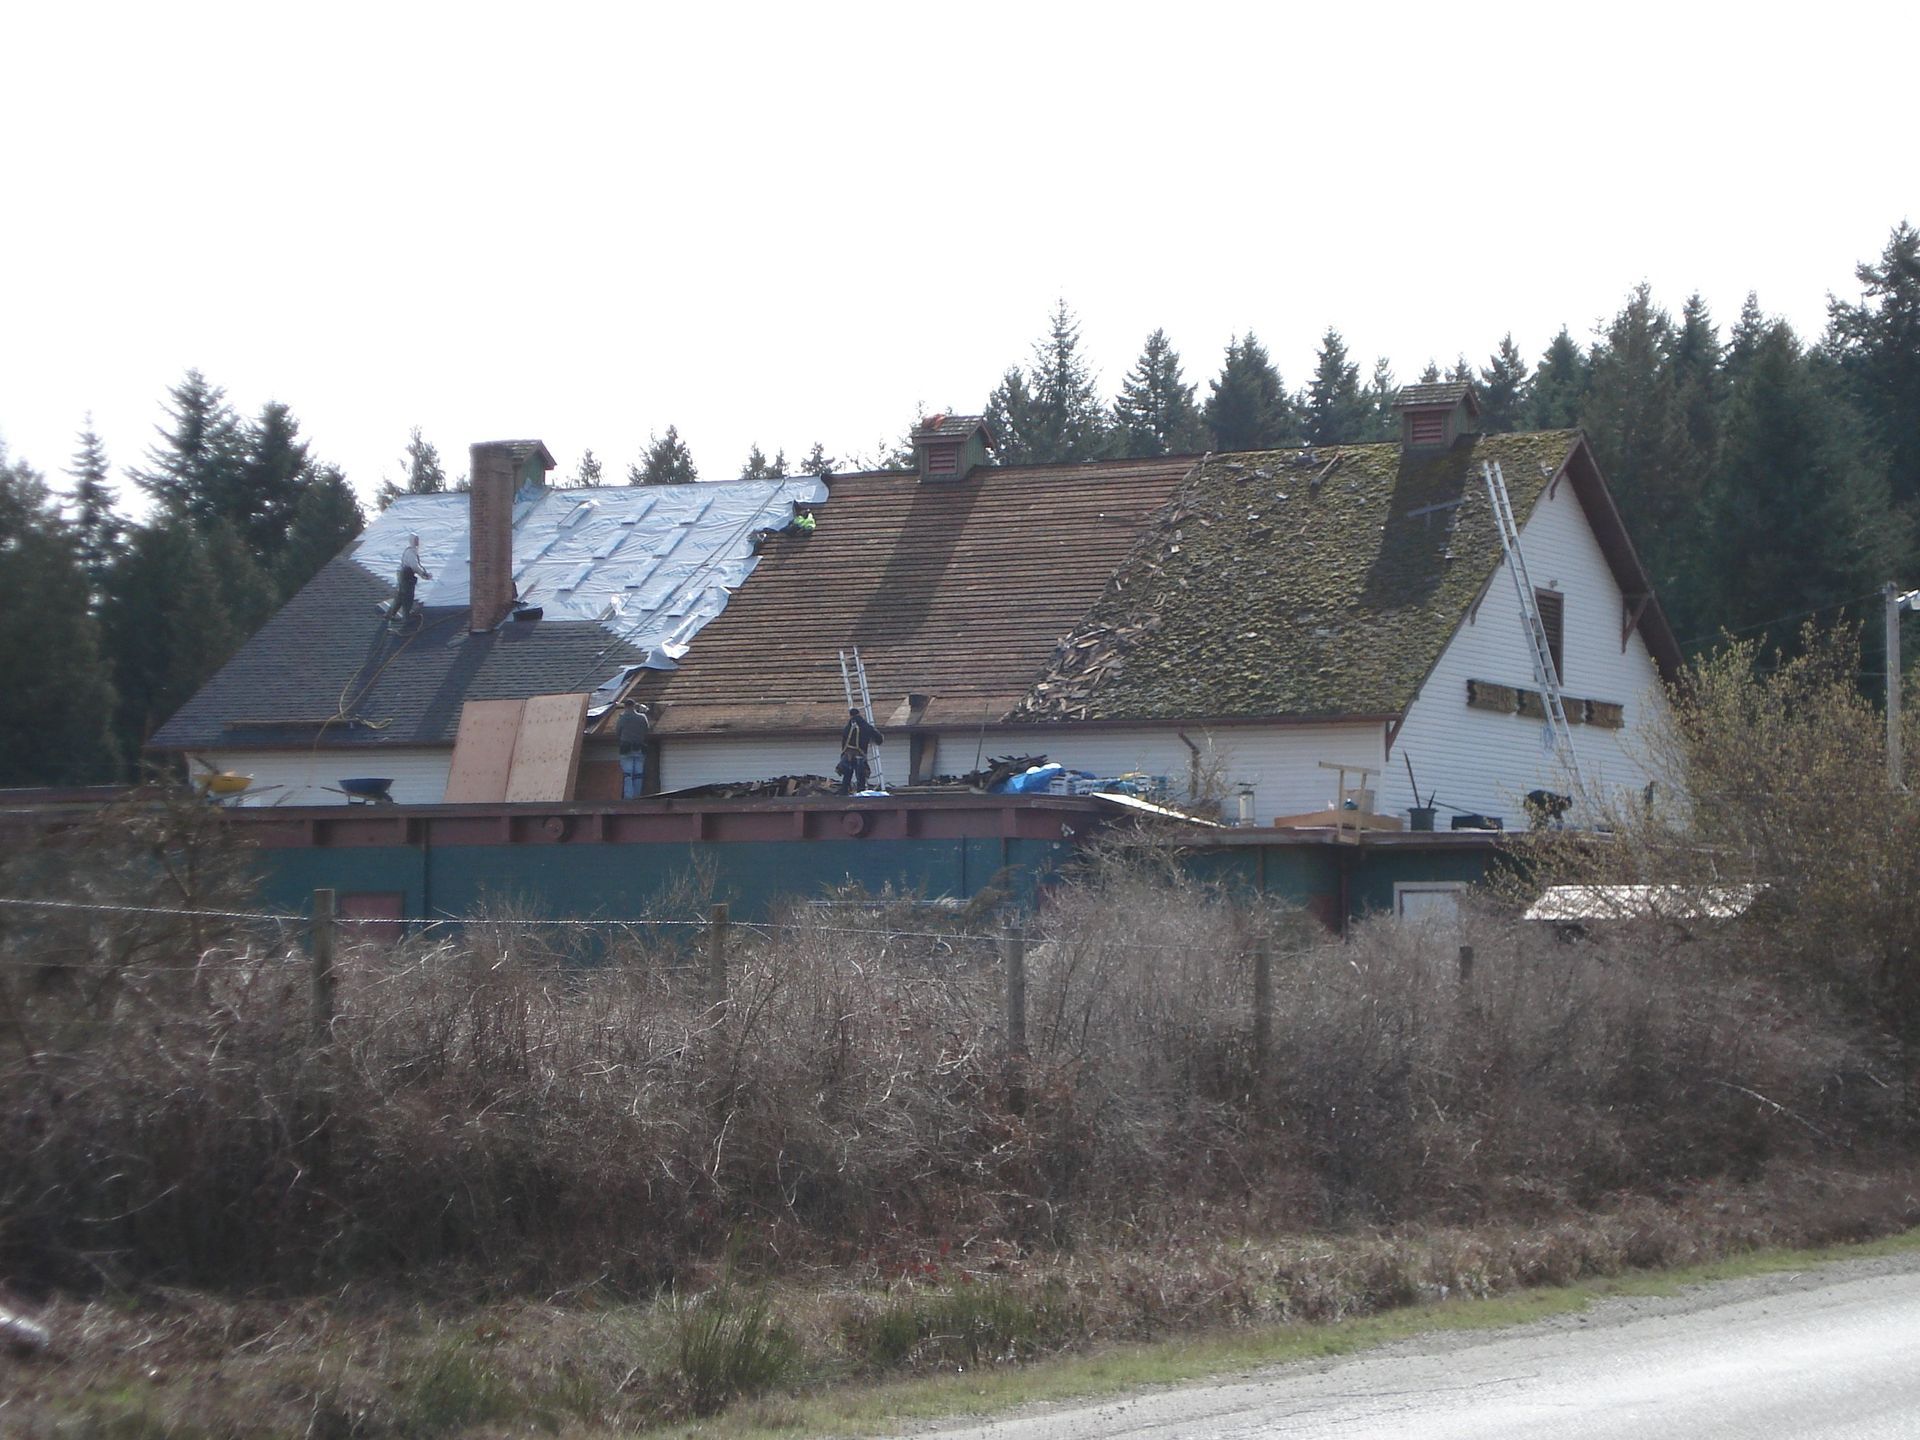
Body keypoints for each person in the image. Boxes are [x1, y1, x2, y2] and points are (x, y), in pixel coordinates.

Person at [835, 706, 883, 794]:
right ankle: (861, 794)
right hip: (860, 755)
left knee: (847, 776)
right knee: (861, 777)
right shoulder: (866, 726)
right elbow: (879, 739)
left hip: (848, 755)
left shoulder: (847, 727)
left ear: (850, 715)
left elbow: (844, 741)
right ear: (859, 714)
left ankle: (844, 792)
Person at [390, 534, 432, 623]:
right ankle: (406, 617)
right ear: (412, 541)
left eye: (418, 540)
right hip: (406, 576)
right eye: (416, 540)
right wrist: (423, 574)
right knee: (408, 597)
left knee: (401, 596)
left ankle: (390, 614)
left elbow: (416, 566)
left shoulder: (411, 551)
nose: (417, 542)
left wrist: (424, 574)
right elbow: (414, 566)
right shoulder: (411, 552)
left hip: (403, 575)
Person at [617, 699, 653, 799]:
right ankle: (637, 797)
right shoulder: (642, 717)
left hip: (626, 749)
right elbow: (647, 729)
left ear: (625, 706)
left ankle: (629, 797)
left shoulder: (623, 717)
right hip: (639, 748)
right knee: (638, 774)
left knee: (628, 774)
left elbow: (618, 732)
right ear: (634, 706)